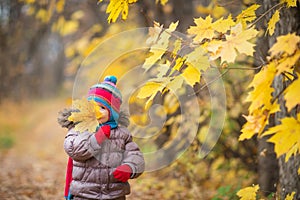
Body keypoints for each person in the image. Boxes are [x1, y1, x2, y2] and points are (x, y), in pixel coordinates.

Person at [60, 75, 145, 200]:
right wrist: (97, 139)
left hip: (114, 194)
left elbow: (135, 155)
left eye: (102, 108)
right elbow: (74, 150)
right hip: (85, 193)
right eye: (93, 106)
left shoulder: (122, 133)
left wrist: (130, 167)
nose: (97, 111)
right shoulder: (80, 128)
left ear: (113, 112)